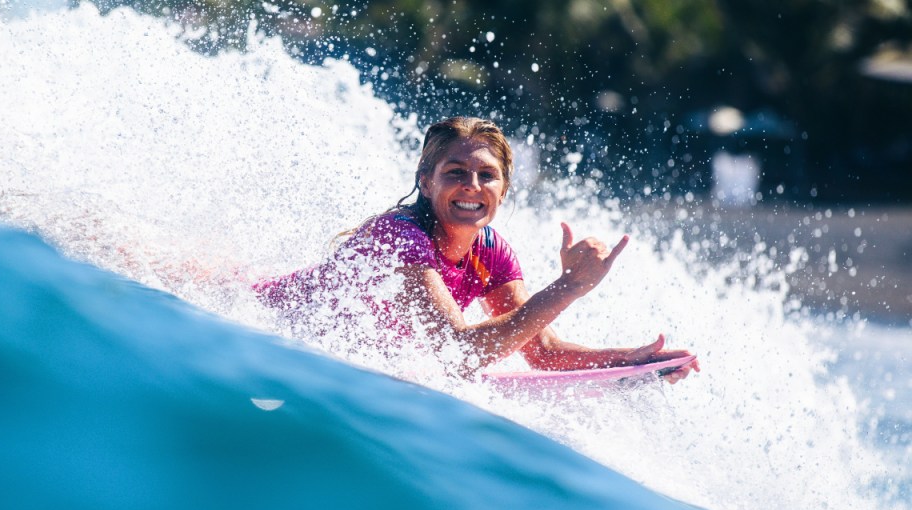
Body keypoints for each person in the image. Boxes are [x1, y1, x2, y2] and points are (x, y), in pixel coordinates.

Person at [255, 116, 699, 382]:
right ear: (426, 181)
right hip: (266, 325)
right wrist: (568, 287)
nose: (472, 186)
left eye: (487, 175)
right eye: (455, 172)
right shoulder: (401, 237)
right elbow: (458, 350)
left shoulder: (491, 252)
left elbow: (541, 351)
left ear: (504, 190)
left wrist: (631, 361)